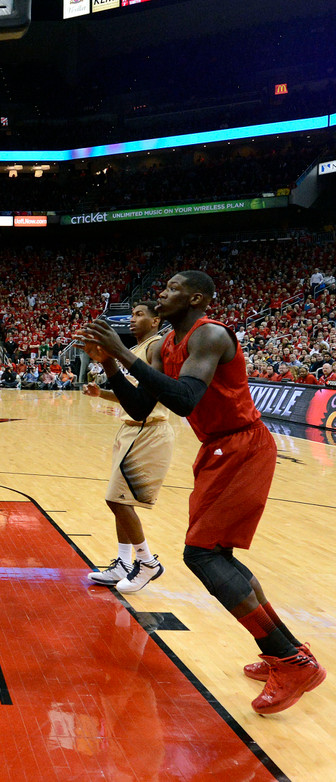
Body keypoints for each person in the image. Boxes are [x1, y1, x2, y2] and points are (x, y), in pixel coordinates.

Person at [80, 270, 326, 715]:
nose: (163, 292)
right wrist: (110, 363)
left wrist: (122, 353)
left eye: (172, 288)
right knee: (218, 555)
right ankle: (290, 649)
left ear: (195, 298)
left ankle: (289, 662)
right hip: (216, 448)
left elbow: (185, 399)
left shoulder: (209, 335)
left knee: (203, 554)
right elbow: (140, 405)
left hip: (242, 444)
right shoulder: (170, 345)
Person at [82, 302, 174, 593]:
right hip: (132, 429)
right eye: (131, 314)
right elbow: (132, 398)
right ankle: (123, 563)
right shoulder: (137, 350)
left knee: (117, 500)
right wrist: (102, 393)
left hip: (148, 429)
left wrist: (109, 362)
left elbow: (145, 404)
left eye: (139, 314)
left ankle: (147, 561)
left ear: (156, 320)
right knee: (117, 500)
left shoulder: (155, 346)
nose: (132, 319)